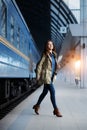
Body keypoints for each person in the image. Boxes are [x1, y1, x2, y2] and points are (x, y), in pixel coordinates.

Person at [33, 40, 62, 117]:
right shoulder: (44, 55)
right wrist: (37, 75)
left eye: (51, 44)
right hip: (46, 76)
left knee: (45, 92)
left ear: (53, 46)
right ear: (46, 46)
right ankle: (56, 110)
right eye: (48, 44)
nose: (50, 45)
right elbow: (39, 65)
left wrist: (57, 67)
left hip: (52, 76)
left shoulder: (54, 55)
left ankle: (37, 105)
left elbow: (54, 66)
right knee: (52, 91)